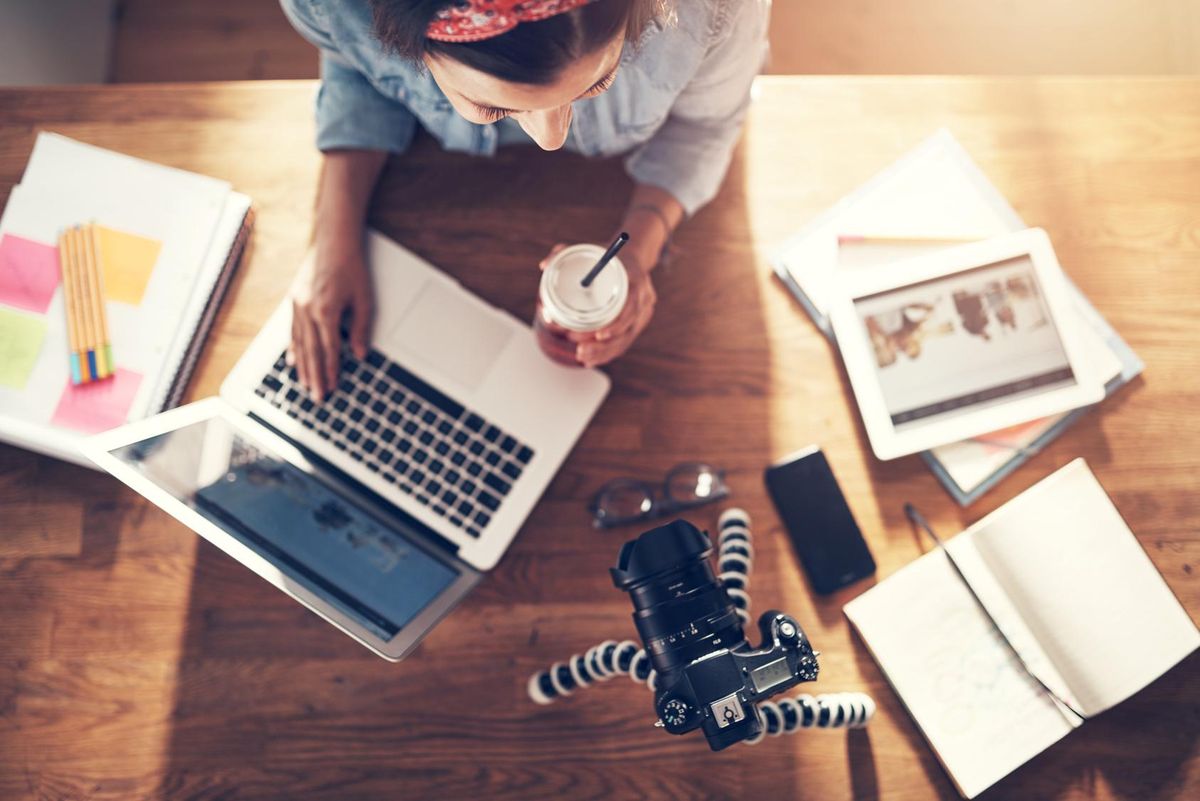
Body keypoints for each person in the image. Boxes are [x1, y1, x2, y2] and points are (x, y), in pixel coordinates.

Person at [279, 0, 771, 398]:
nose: (551, 138)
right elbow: (356, 71)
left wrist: (639, 249)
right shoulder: (334, 8)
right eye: (493, 105)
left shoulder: (713, 10)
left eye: (599, 79)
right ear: (398, 42)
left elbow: (706, 125)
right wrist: (332, 239)